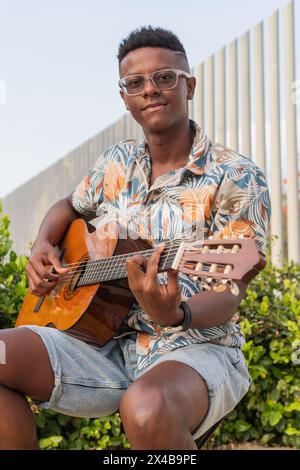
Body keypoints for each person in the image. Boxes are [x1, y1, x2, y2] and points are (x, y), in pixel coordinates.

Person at [0, 26, 271, 450]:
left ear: (190, 86)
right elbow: (67, 207)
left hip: (195, 348)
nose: (150, 89)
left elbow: (228, 292)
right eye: (135, 83)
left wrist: (175, 313)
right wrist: (42, 245)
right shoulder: (116, 161)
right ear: (124, 97)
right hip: (98, 344)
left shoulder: (237, 176)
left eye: (165, 77)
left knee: (146, 407)